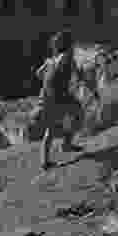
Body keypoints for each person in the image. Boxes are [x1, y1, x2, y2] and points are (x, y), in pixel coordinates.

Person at [33, 31, 87, 170]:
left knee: (50, 130)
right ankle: (67, 143)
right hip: (60, 96)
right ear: (69, 45)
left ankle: (45, 162)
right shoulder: (67, 57)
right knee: (78, 113)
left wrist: (50, 76)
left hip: (47, 97)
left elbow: (38, 74)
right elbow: (79, 74)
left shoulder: (51, 60)